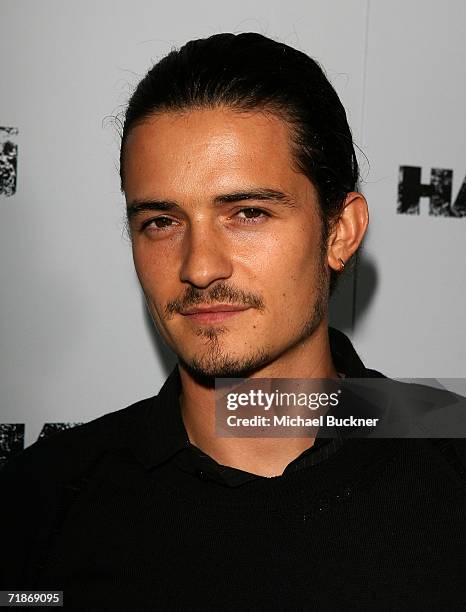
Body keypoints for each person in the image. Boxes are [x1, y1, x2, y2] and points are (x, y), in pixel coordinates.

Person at [1, 32, 465, 611]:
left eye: (248, 213)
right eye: (162, 222)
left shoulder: (451, 462)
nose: (198, 267)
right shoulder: (38, 503)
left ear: (340, 231)